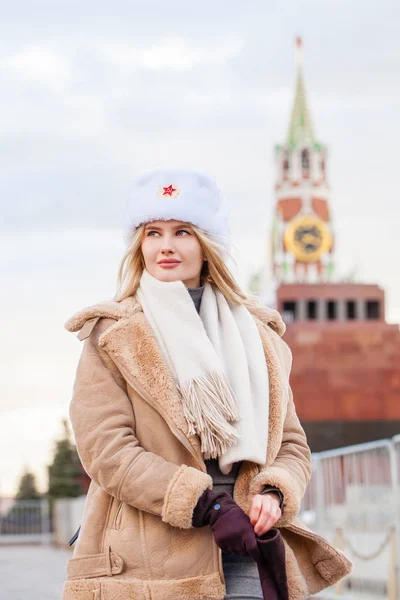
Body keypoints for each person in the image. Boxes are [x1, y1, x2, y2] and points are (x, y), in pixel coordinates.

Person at [61, 168, 352, 600]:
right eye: (153, 232)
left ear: (206, 244)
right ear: (139, 244)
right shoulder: (112, 333)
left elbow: (291, 443)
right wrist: (206, 504)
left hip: (247, 549)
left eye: (182, 232)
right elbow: (107, 450)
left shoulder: (258, 335)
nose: (166, 246)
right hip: (149, 558)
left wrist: (273, 491)